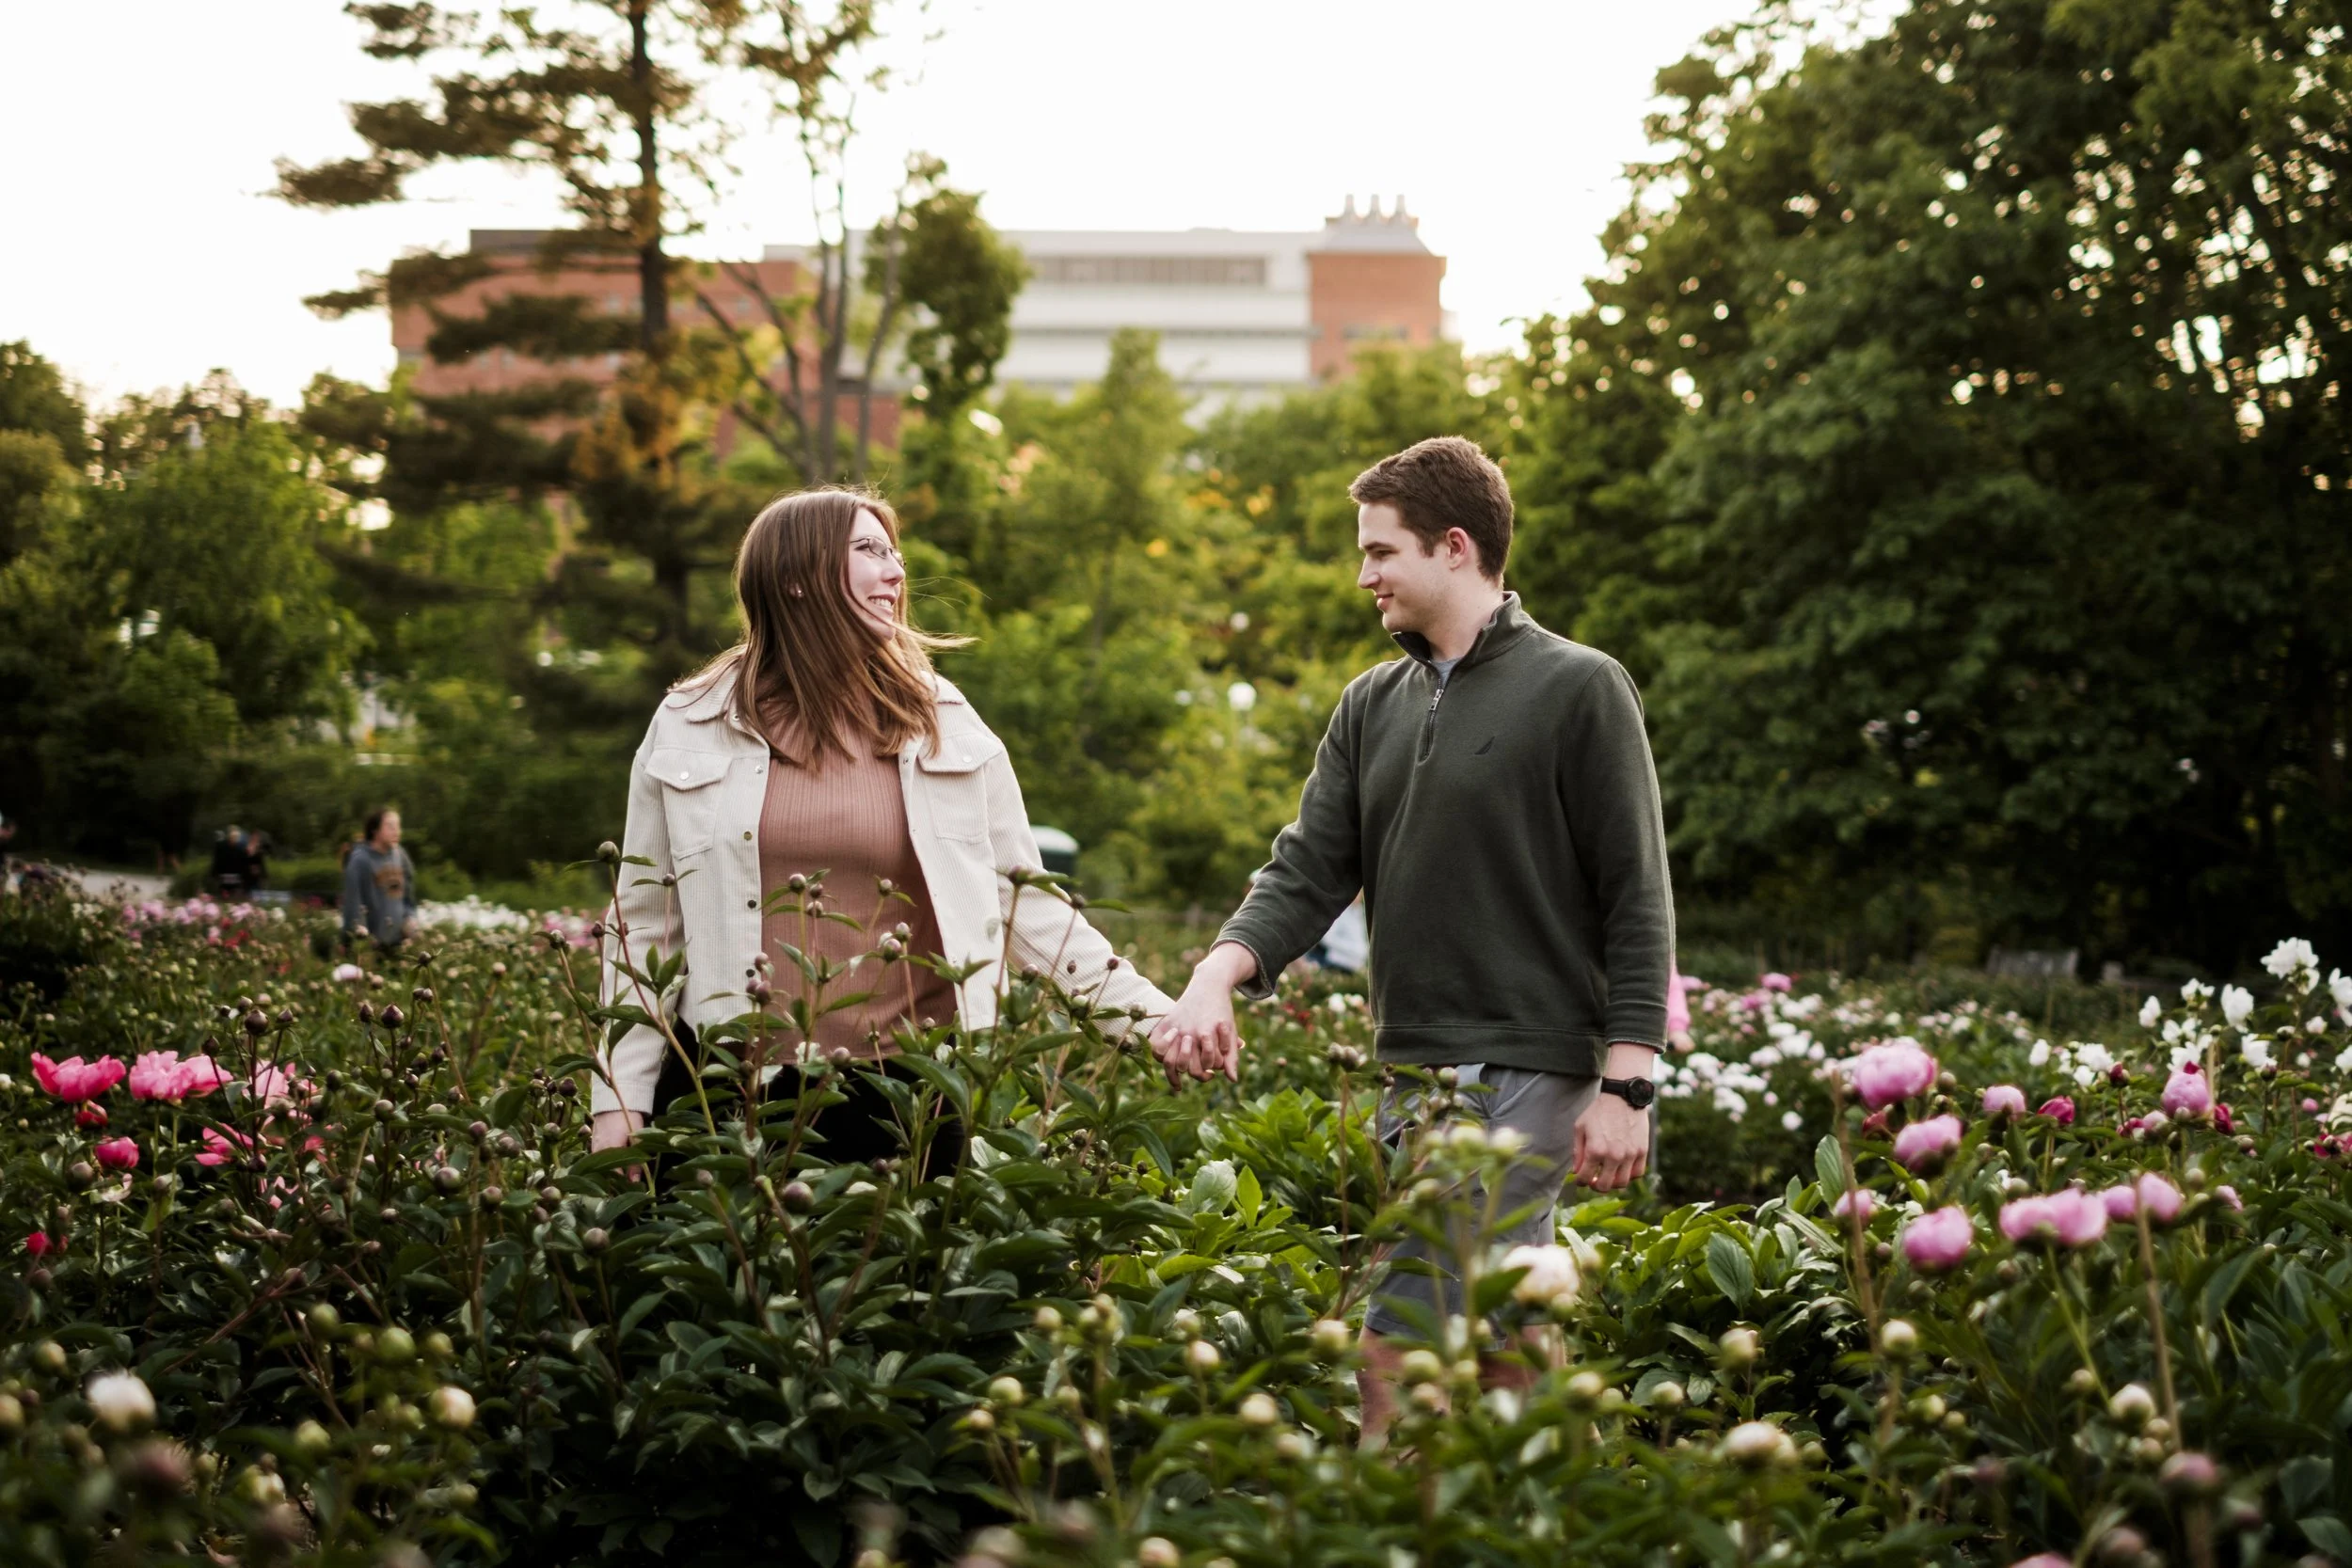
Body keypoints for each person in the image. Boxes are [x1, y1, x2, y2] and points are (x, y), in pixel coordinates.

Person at [1149, 436, 1675, 1446]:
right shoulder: (1368, 705)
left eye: (1382, 552)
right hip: (1415, 1068)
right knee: (1513, 1311)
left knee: (1403, 1313)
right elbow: (1305, 869)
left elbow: (1636, 895)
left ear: (1455, 546)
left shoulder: (1581, 687)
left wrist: (1626, 1084)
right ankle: (1546, 1505)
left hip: (1531, 1056)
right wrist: (1217, 971)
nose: (1364, 576)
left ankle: (1388, 1510)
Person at [587, 487, 1173, 1166]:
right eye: (869, 549)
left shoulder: (942, 720)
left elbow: (1027, 902)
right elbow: (642, 925)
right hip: (725, 1091)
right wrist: (619, 1100)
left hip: (904, 1098)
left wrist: (1153, 1020)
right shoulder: (689, 722)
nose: (896, 571)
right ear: (795, 578)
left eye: (894, 551)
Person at [342, 809, 418, 951]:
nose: (397, 831)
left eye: (398, 826)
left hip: (398, 942)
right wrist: (360, 939)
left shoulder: (401, 856)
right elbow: (354, 902)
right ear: (375, 831)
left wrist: (410, 918)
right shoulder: (361, 860)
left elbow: (408, 896)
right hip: (370, 945)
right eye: (390, 826)